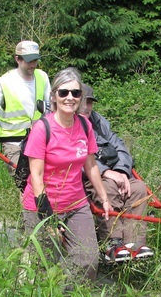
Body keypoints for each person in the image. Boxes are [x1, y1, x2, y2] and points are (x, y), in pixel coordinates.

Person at [22, 67, 112, 284]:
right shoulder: (42, 128)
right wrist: (48, 217)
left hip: (77, 203)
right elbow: (36, 176)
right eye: (63, 92)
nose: (70, 97)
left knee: (88, 259)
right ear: (54, 96)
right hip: (42, 206)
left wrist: (104, 197)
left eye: (75, 93)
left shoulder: (84, 125)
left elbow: (90, 165)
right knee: (44, 265)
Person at [80, 84, 154, 262]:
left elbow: (119, 146)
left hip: (114, 171)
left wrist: (121, 171)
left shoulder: (99, 123)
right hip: (89, 175)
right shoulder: (70, 124)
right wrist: (105, 172)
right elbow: (77, 156)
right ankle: (113, 242)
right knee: (108, 188)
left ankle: (134, 243)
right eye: (83, 102)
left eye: (89, 102)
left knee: (138, 188)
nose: (86, 107)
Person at [0, 40, 51, 173]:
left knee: (41, 180)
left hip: (39, 141)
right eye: (29, 61)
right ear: (17, 59)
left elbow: (51, 108)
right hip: (13, 143)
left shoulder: (42, 77)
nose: (33, 64)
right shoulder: (4, 81)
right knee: (24, 181)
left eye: (35, 60)